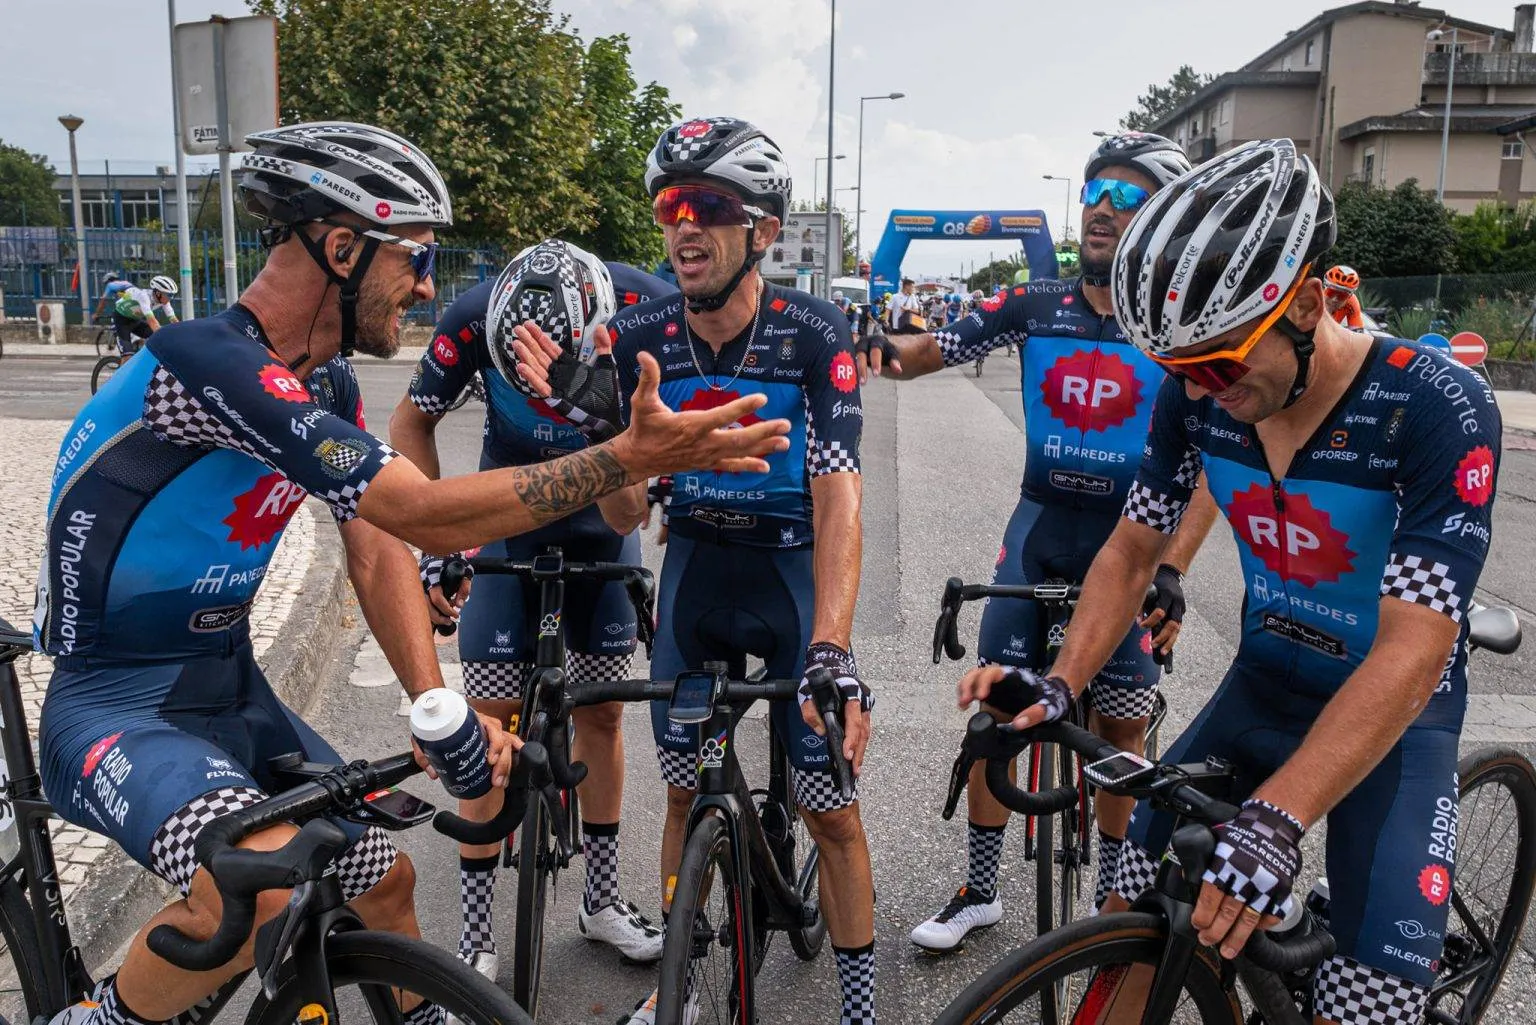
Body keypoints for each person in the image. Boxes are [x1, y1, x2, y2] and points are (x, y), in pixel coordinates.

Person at [36, 120, 791, 1025]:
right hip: (112, 705)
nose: (430, 285)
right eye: (417, 256)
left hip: (225, 691)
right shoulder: (206, 366)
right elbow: (419, 512)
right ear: (343, 246)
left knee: (383, 882)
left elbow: (374, 543)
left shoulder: (327, 385)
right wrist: (622, 456)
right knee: (259, 892)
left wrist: (437, 704)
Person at [964, 138, 1501, 1025]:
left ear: (1305, 299)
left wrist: (1279, 817)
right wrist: (1062, 683)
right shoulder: (1195, 392)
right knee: (1140, 919)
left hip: (1397, 714)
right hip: (1262, 683)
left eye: (1217, 365)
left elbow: (1416, 647)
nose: (1198, 393)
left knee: (1359, 1007)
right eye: (1176, 371)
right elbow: (1132, 552)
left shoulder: (1433, 403)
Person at [513, 115, 879, 1025]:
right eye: (672, 205)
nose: (684, 225)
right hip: (698, 578)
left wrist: (833, 646)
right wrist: (608, 435)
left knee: (831, 809)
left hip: (793, 582)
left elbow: (840, 501)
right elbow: (630, 515)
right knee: (684, 788)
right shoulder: (637, 336)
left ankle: (861, 1005)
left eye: (710, 206)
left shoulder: (813, 332)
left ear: (761, 231)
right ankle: (675, 973)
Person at [858, 131, 1220, 952]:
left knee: (1122, 729)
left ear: (1159, 220)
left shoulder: (1183, 328)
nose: (1103, 206)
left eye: (1128, 198)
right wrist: (869, 351)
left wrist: (1172, 567)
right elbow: (927, 353)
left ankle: (1111, 898)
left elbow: (1214, 471)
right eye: (1098, 190)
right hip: (1040, 526)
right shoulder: (1035, 302)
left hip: (1130, 541)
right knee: (996, 711)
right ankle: (980, 890)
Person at [389, 242, 677, 975]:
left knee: (602, 716)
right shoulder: (472, 314)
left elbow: (624, 516)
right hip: (506, 517)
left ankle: (602, 899)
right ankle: (479, 935)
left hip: (600, 517)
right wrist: (434, 545)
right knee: (486, 728)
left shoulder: (646, 308)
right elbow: (409, 423)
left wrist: (600, 414)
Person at [110, 274, 180, 356]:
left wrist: (181, 334)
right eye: (169, 295)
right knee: (127, 356)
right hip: (121, 321)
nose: (171, 298)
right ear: (158, 293)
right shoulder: (144, 296)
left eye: (172, 295)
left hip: (135, 320)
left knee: (159, 343)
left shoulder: (164, 301)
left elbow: (174, 320)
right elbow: (152, 321)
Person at [1323, 263, 1366, 329]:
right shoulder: (1315, 296)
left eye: (1342, 296)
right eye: (1331, 292)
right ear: (1324, 288)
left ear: (1349, 296)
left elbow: (1357, 331)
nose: (1334, 299)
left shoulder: (1352, 303)